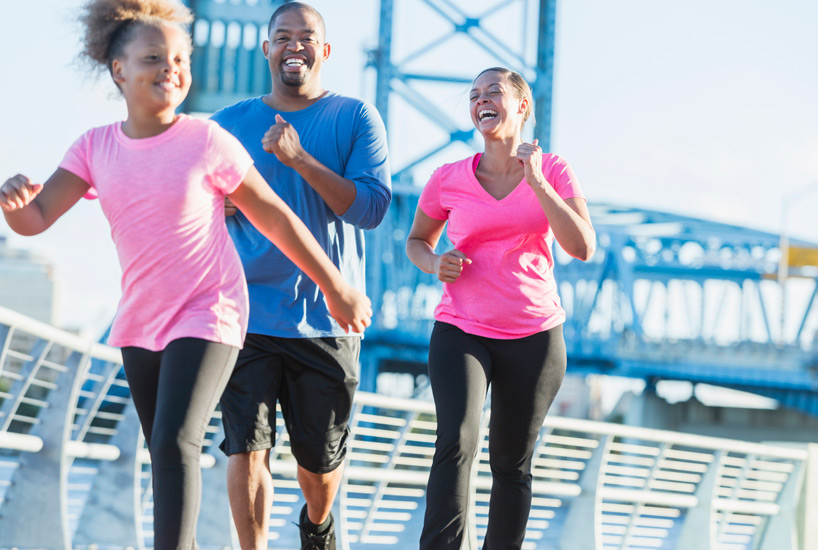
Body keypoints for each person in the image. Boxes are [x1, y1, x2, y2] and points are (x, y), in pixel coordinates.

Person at [0, 1, 371, 548]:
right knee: (164, 451)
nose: (171, 68)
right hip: (141, 322)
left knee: (177, 442)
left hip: (211, 311)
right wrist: (13, 202)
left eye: (180, 59)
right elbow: (36, 218)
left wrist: (336, 286)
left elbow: (276, 217)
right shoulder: (94, 147)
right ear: (118, 69)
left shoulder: (206, 140)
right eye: (154, 57)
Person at [211, 2, 391, 549]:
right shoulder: (229, 124)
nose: (295, 46)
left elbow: (370, 210)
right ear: (267, 49)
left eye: (306, 37)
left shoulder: (356, 117)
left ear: (325, 50)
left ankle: (316, 523)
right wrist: (225, 206)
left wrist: (300, 160)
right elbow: (192, 202)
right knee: (246, 445)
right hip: (247, 311)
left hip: (326, 319)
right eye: (282, 37)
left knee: (318, 466)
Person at [406, 67, 596, 549]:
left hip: (534, 336)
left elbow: (582, 246)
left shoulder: (552, 169)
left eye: (493, 91)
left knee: (512, 462)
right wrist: (434, 263)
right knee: (456, 440)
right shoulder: (447, 178)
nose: (481, 101)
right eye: (473, 95)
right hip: (461, 328)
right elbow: (416, 241)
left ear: (522, 105)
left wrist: (536, 182)